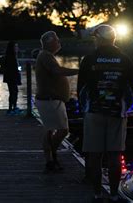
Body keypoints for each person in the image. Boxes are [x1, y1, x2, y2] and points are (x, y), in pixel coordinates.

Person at [77, 24, 133, 203]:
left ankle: (97, 193)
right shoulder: (124, 59)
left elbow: (81, 87)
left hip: (93, 112)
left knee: (94, 155)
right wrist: (126, 106)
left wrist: (84, 107)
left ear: (100, 39)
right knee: (115, 155)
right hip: (117, 112)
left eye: (95, 38)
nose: (94, 41)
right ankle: (114, 194)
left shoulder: (88, 59)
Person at [35, 31, 79, 172]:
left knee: (52, 130)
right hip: (50, 100)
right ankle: (51, 156)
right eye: (57, 40)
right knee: (61, 130)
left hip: (53, 100)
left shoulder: (47, 56)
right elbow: (57, 71)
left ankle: (51, 158)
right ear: (49, 42)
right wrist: (79, 71)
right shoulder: (46, 56)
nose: (59, 42)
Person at [3, 40, 22, 114]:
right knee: (13, 92)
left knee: (14, 92)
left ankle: (13, 107)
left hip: (11, 77)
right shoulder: (11, 57)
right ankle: (12, 108)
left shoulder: (12, 56)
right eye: (16, 47)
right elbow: (12, 69)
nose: (17, 48)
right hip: (12, 77)